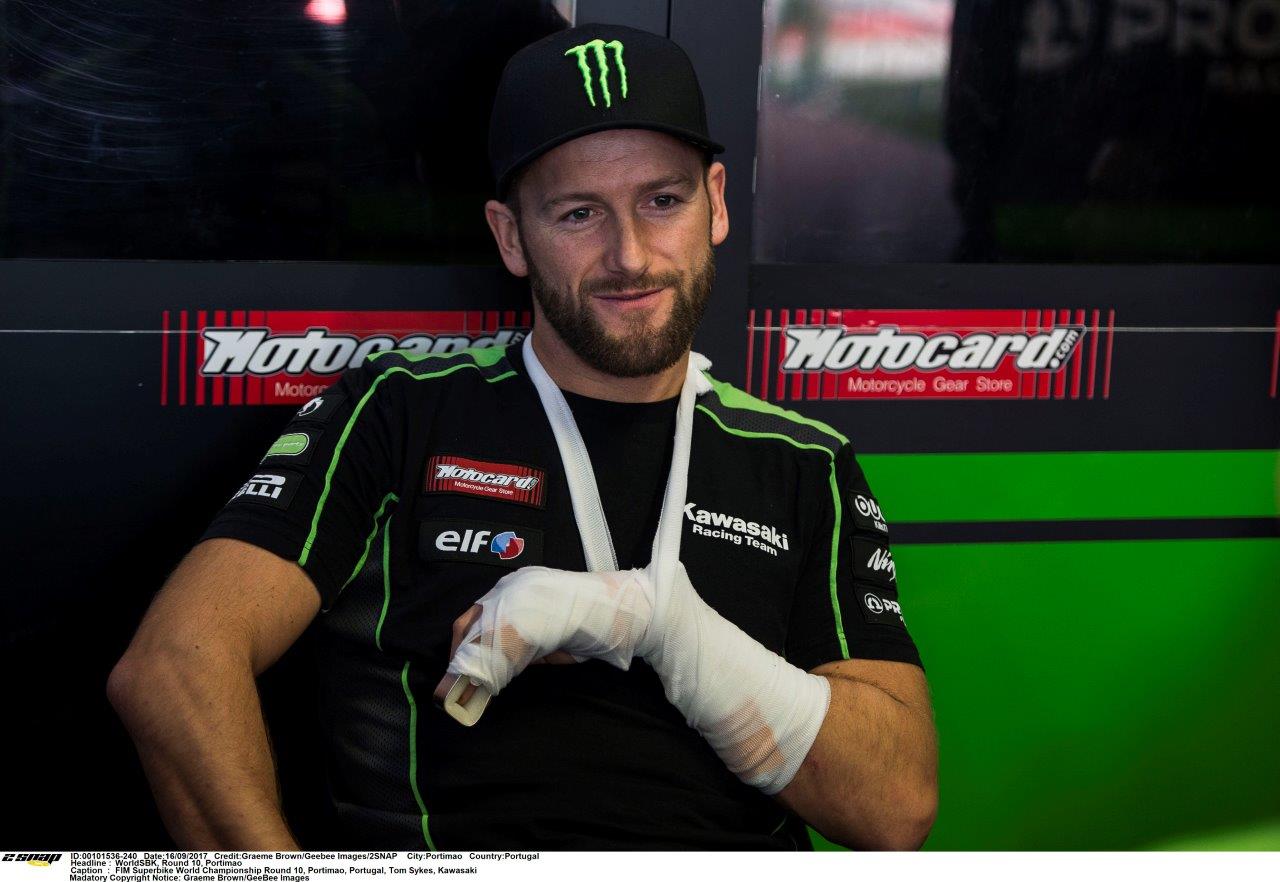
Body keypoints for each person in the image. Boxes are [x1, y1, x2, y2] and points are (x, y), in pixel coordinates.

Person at [108, 23, 937, 851]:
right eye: (579, 213)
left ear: (716, 202)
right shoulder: (398, 411)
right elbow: (174, 666)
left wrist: (665, 628)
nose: (630, 255)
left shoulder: (803, 462)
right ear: (510, 236)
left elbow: (894, 810)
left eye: (663, 201)